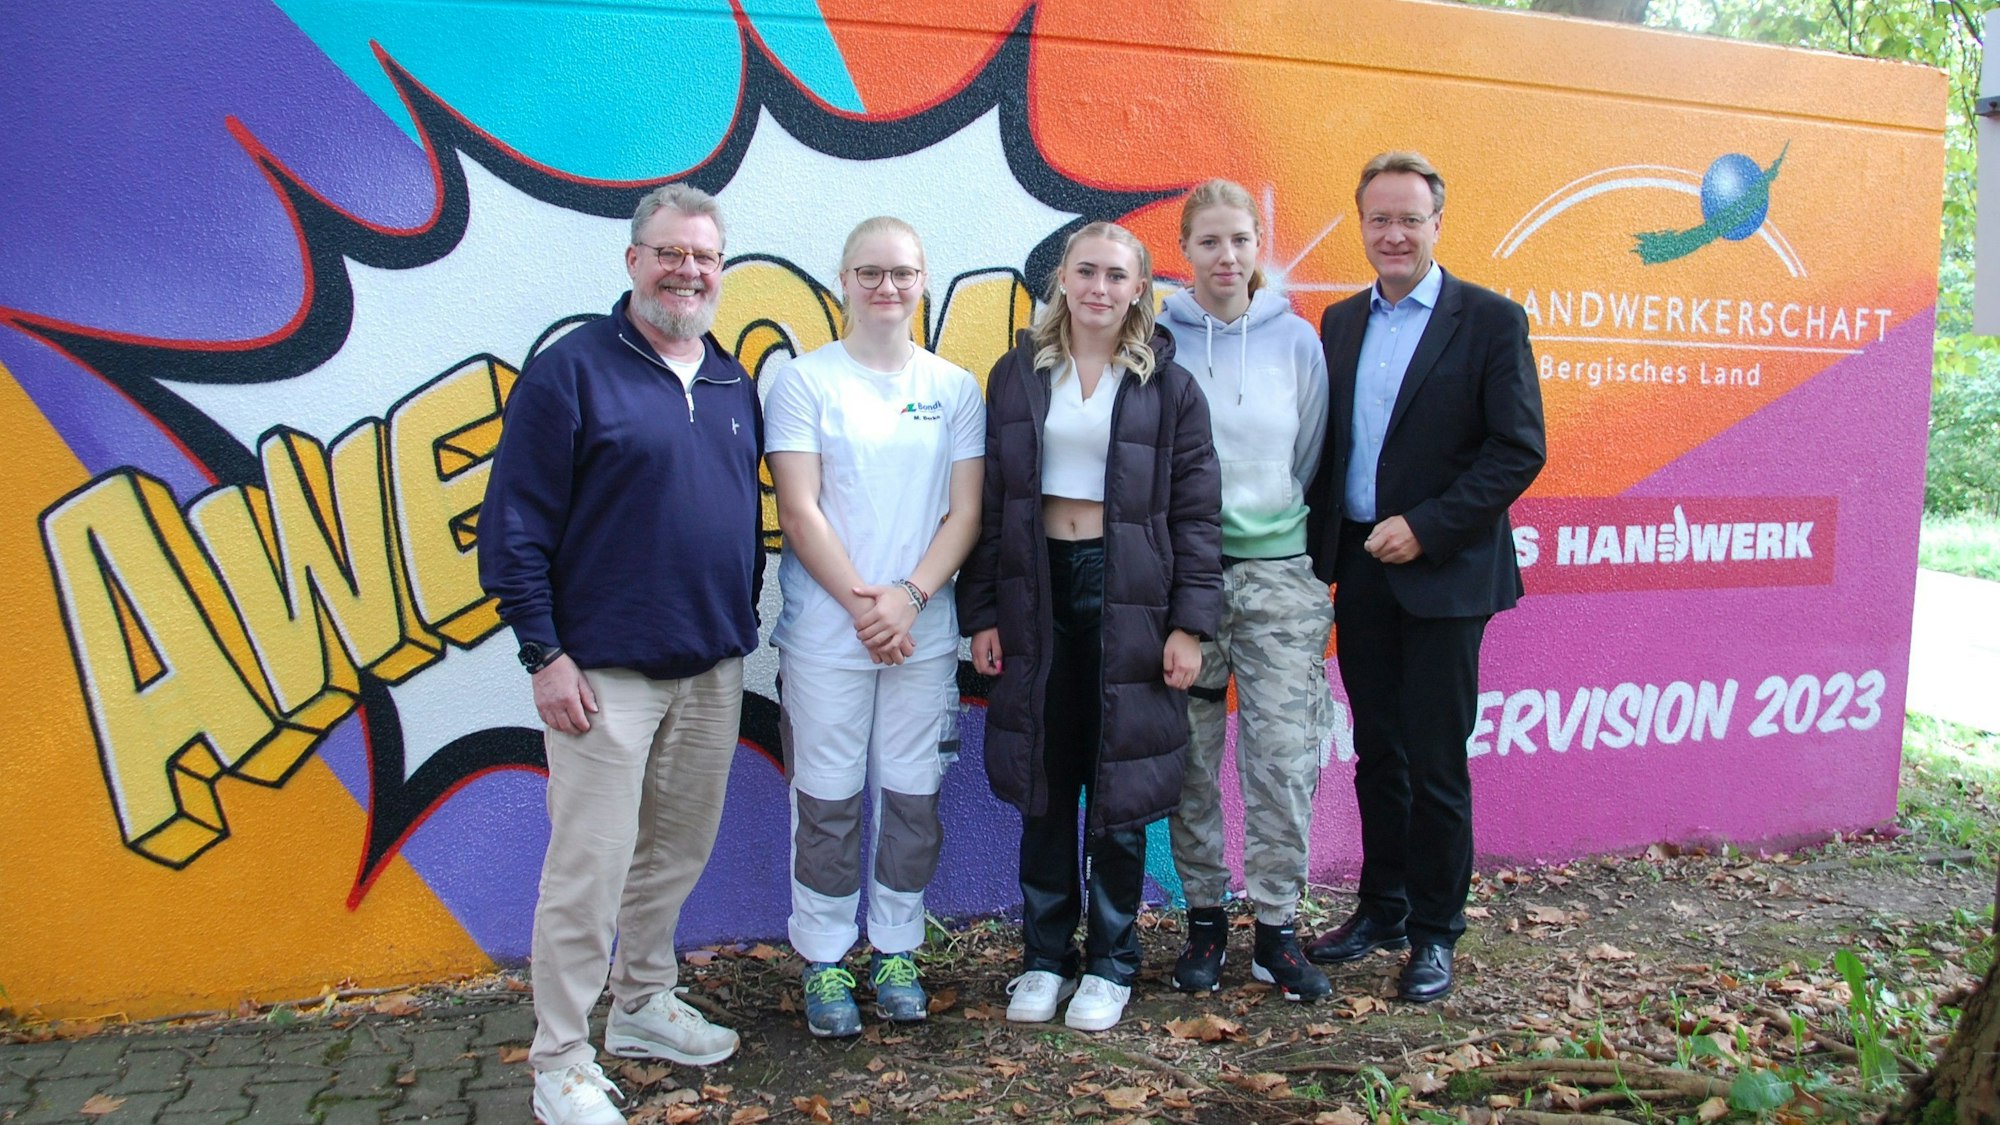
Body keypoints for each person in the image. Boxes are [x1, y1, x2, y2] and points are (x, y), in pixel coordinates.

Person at [479, 183, 763, 1125]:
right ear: (634, 260)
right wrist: (543, 654)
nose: (689, 272)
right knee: (587, 869)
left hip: (712, 666)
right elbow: (513, 525)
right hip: (601, 674)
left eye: (705, 258)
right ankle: (558, 1060)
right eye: (671, 254)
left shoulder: (731, 379)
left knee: (675, 852)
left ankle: (640, 1003)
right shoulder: (572, 371)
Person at [958, 220, 1222, 1033]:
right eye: (1086, 271)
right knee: (1047, 778)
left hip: (1129, 593)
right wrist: (983, 613)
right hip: (1037, 586)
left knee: (1120, 785)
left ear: (1140, 288)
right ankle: (1044, 957)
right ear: (1062, 281)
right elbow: (992, 506)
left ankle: (1109, 963)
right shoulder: (1016, 375)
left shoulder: (1168, 387)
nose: (1100, 287)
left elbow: (1196, 514)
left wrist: (1190, 626)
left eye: (1117, 274)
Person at [1302, 152, 1546, 1003]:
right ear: (1361, 225)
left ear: (1438, 223)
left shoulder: (1490, 320)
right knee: (1377, 755)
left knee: (1438, 763)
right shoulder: (1338, 321)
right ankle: (1382, 909)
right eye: (1379, 219)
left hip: (1446, 573)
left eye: (1410, 218)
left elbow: (1517, 449)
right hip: (1361, 568)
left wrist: (1429, 526)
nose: (1394, 233)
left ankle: (1437, 933)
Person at [759, 217, 985, 1038]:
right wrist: (864, 604)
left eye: (902, 273)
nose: (886, 287)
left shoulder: (955, 387)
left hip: (920, 630)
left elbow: (966, 512)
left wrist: (910, 600)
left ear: (924, 279)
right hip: (828, 634)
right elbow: (799, 507)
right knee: (826, 796)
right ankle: (823, 958)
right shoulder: (803, 381)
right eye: (870, 272)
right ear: (843, 281)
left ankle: (895, 947)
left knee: (912, 793)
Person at [1158, 180, 1334, 1002]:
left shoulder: (1297, 341)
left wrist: (1264, 529)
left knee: (1282, 756)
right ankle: (1203, 921)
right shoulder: (1157, 337)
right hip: (1181, 576)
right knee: (1190, 759)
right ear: (1185, 250)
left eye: (1240, 240)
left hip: (1277, 576)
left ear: (1259, 245)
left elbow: (1307, 453)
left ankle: (1276, 929)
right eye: (1209, 242)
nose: (1225, 257)